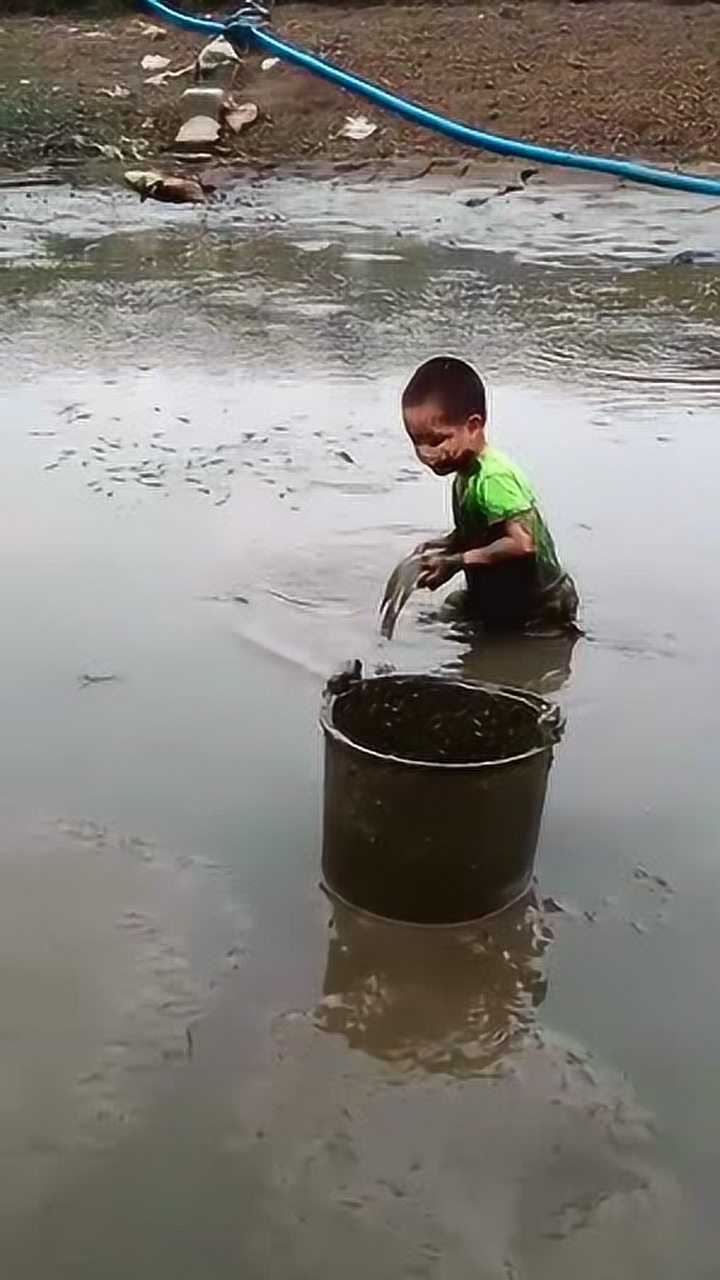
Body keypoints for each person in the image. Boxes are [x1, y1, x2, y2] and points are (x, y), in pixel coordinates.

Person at [401, 355, 578, 630]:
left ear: (473, 426)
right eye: (417, 442)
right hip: (497, 591)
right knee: (453, 615)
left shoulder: (494, 477)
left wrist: (455, 563)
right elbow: (480, 533)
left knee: (519, 664)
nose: (426, 454)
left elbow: (522, 543)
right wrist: (444, 545)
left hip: (540, 602)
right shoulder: (464, 475)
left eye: (437, 440)